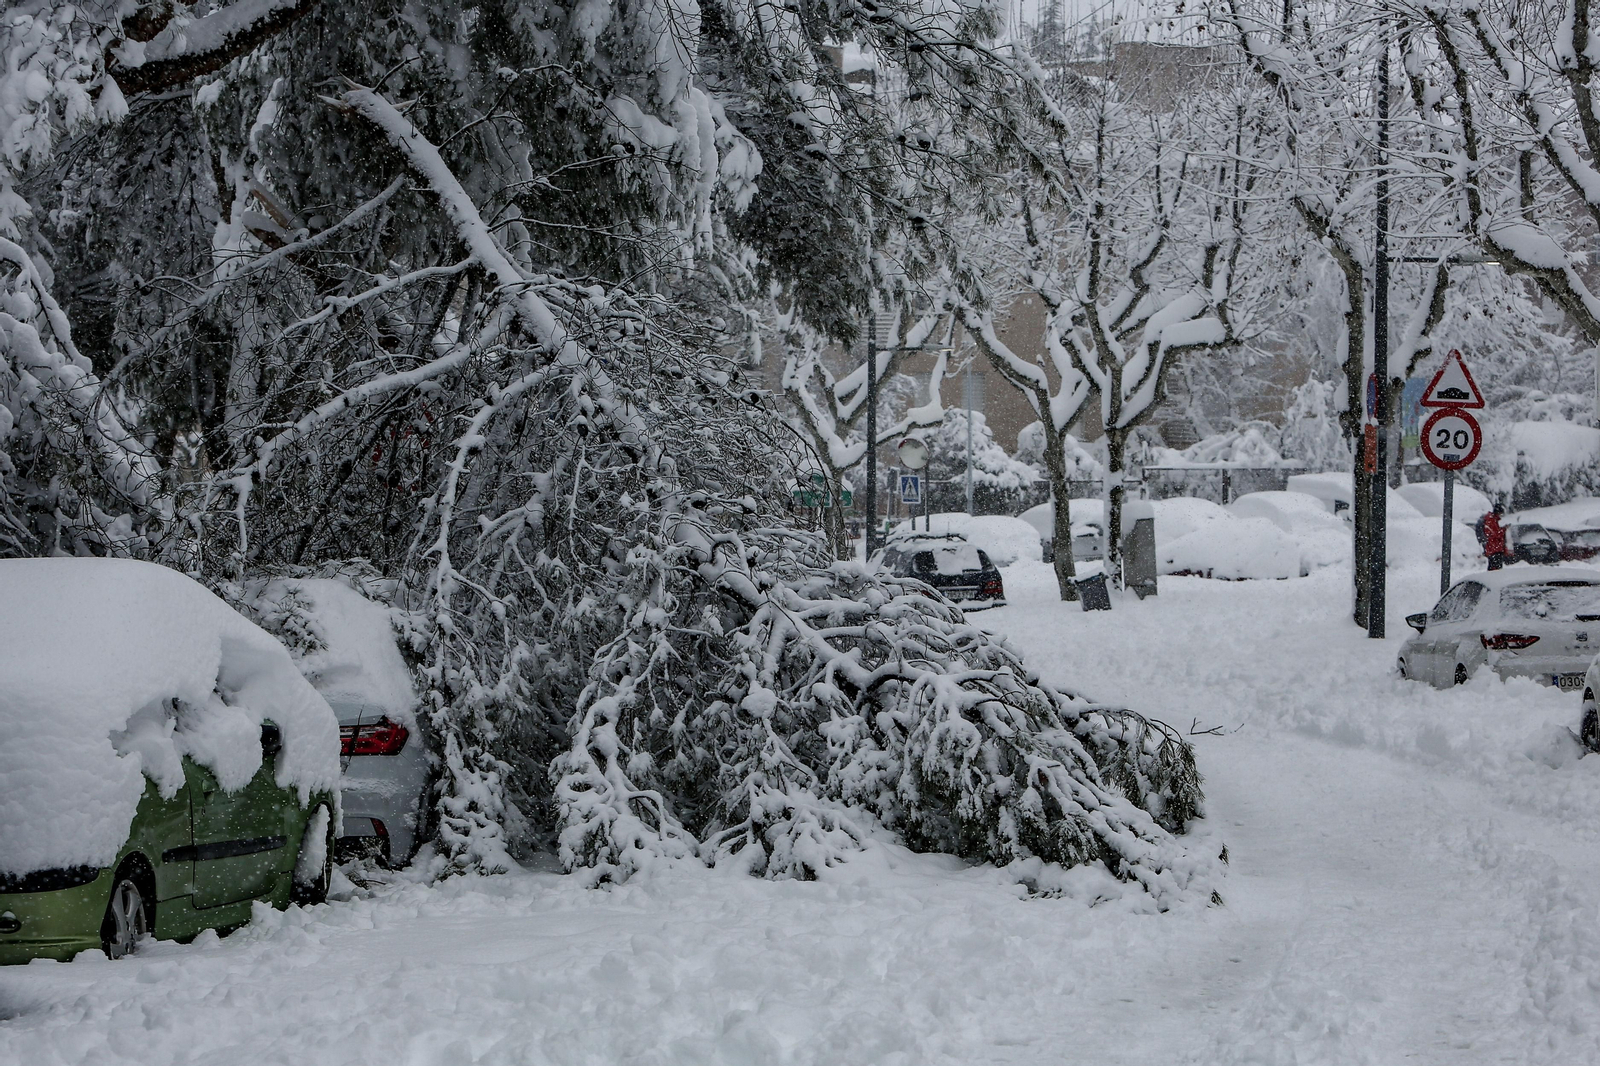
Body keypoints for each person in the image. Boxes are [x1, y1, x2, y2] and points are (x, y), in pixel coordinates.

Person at [1482, 503, 1507, 570]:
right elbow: (1495, 534)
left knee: (1494, 566)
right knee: (1495, 568)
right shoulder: (1491, 520)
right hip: (1494, 548)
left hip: (1494, 548)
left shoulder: (1492, 520)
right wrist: (1504, 529)